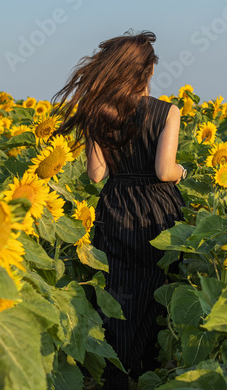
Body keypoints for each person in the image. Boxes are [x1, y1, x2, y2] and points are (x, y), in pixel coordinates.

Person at [51, 29, 186, 389]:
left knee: (118, 292)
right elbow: (163, 170)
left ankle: (116, 373)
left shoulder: (99, 112)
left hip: (117, 206)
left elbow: (96, 175)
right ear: (147, 73)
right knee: (158, 289)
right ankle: (150, 372)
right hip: (159, 209)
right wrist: (183, 171)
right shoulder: (167, 111)